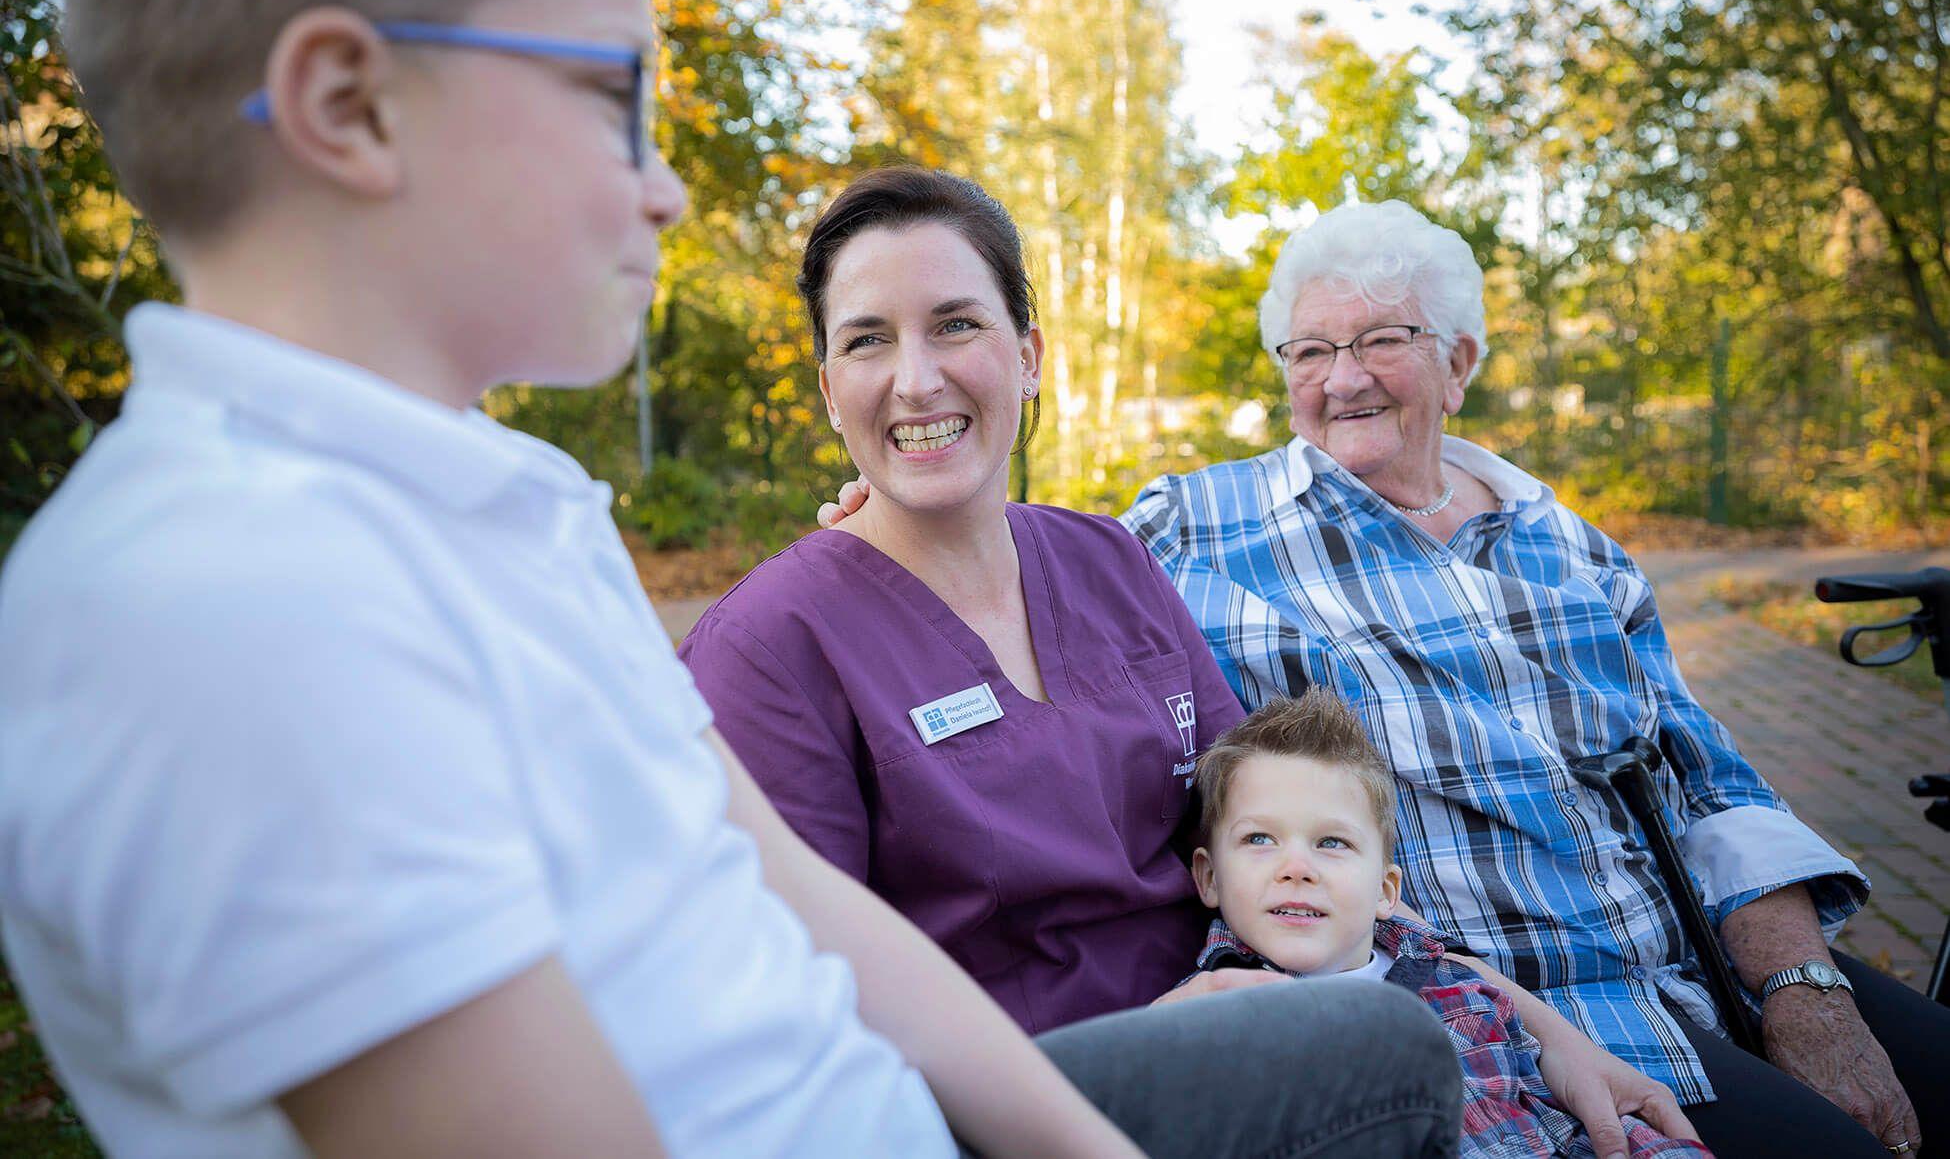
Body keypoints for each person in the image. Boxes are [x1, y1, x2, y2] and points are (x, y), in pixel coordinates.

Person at [0, 0, 1152, 1156]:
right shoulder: (227, 600)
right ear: (352, 104)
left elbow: (807, 908)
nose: (663, 188)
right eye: (615, 98)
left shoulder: (513, 508)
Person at [683, 166, 1708, 1158]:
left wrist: (1537, 1027)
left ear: (1029, 353)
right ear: (828, 388)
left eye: (956, 323)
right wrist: (1162, 1032)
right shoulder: (771, 648)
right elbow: (803, 1014)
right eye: (868, 341)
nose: (917, 378)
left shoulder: (1111, 562)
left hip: (1282, 1034)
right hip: (1028, 1102)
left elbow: (1288, 830)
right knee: (1391, 1054)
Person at [1118, 198, 1947, 1158]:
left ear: (1459, 363)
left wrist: (1807, 992)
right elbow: (1030, 614)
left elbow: (1713, 787)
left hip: (1684, 956)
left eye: (1381, 340)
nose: (1342, 379)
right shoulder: (1197, 527)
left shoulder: (1571, 547)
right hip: (1486, 1009)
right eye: (1308, 353)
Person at [1186, 689, 1710, 1159]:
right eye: (1259, 839)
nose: (1296, 867)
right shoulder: (1208, 1019)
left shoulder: (1462, 990)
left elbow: (1564, 1124)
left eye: (1332, 843)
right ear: (1209, 878)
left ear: (1385, 891)